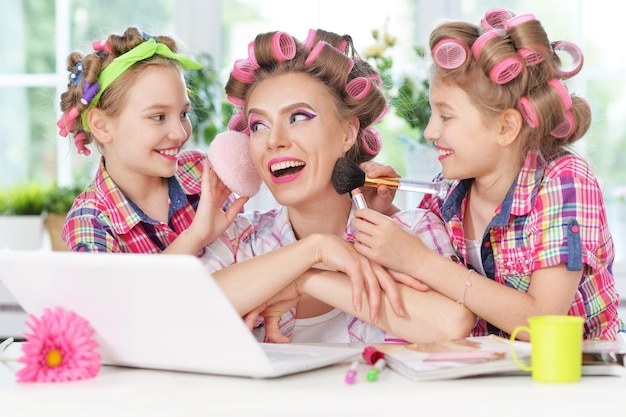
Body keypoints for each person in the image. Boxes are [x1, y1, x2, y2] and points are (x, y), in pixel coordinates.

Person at [350, 9, 624, 340]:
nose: (430, 132)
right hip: (496, 369)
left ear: (506, 126)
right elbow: (427, 243)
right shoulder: (453, 185)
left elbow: (542, 324)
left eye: (446, 116)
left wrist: (418, 262)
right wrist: (387, 215)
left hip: (578, 375)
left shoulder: (565, 182)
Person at [201, 28, 475, 344]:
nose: (274, 141)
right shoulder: (240, 241)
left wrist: (307, 279)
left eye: (298, 118)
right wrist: (315, 249)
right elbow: (182, 311)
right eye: (258, 125)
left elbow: (452, 324)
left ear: (347, 133)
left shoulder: (408, 233)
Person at [57, 27, 247, 255]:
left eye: (183, 114)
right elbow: (122, 293)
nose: (179, 133)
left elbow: (250, 257)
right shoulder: (89, 223)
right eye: (158, 117)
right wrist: (195, 237)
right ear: (101, 125)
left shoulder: (202, 172)